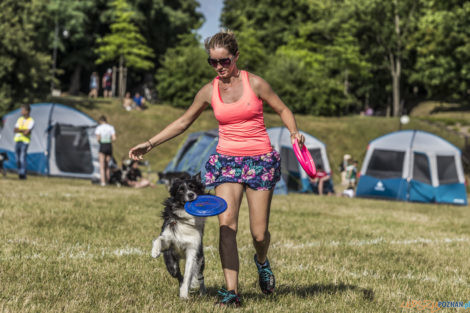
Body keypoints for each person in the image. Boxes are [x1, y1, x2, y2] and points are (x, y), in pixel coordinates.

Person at [128, 31, 305, 307]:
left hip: (260, 161)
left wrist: (294, 133)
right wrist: (150, 143)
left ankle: (262, 261)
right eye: (213, 62)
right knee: (227, 227)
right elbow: (183, 121)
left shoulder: (255, 83)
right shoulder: (209, 91)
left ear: (235, 58)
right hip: (226, 162)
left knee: (259, 234)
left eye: (224, 61)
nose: (219, 67)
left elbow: (283, 110)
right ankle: (231, 292)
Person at [13, 104, 34, 179]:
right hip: (17, 140)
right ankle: (20, 172)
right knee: (17, 159)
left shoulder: (31, 121)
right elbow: (14, 130)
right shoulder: (20, 119)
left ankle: (22, 174)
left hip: (25, 142)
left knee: (22, 158)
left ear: (27, 111)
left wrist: (19, 130)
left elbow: (27, 132)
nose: (22, 112)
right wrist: (23, 130)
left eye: (23, 110)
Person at [95, 115, 116, 186]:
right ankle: (108, 181)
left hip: (102, 145)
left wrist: (101, 140)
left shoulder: (99, 128)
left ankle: (103, 182)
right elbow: (114, 138)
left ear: (100, 121)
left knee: (102, 165)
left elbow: (98, 139)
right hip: (109, 145)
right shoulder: (111, 127)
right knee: (107, 165)